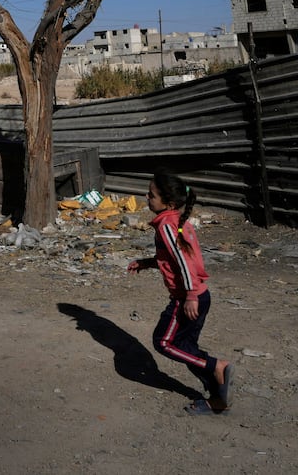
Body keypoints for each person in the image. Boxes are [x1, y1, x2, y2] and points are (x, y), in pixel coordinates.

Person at [127, 169, 235, 413]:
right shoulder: (175, 222)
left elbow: (185, 262)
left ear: (169, 203)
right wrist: (147, 262)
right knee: (187, 349)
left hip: (189, 298)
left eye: (151, 195)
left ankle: (217, 366)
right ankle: (217, 399)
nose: (146, 197)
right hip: (200, 295)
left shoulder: (167, 225)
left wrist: (190, 296)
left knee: (163, 342)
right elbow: (175, 259)